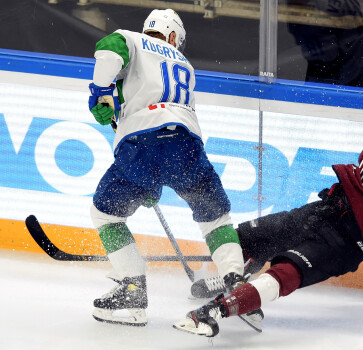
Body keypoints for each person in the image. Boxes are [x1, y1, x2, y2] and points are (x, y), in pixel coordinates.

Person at [173, 91, 363, 337]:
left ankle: (222, 308)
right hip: (324, 213)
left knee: (287, 270)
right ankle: (235, 280)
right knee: (248, 235)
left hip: (348, 241)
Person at [87, 9, 261, 327]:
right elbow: (161, 106)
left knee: (106, 215)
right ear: (172, 38)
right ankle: (238, 285)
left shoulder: (134, 40)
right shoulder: (185, 65)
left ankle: (132, 291)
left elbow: (108, 48)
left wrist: (101, 92)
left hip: (142, 147)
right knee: (215, 218)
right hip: (187, 145)